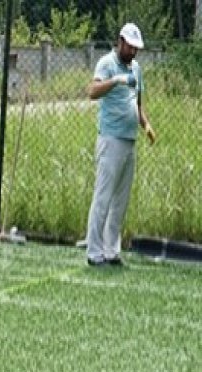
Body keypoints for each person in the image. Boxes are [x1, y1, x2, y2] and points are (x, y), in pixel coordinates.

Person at [84, 23, 156, 267]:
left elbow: (138, 103)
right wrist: (115, 80)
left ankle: (111, 250)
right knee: (103, 196)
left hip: (129, 140)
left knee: (120, 200)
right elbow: (92, 92)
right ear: (121, 42)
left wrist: (146, 125)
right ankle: (94, 253)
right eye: (131, 47)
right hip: (110, 139)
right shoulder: (106, 64)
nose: (134, 52)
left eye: (137, 49)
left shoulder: (136, 69)